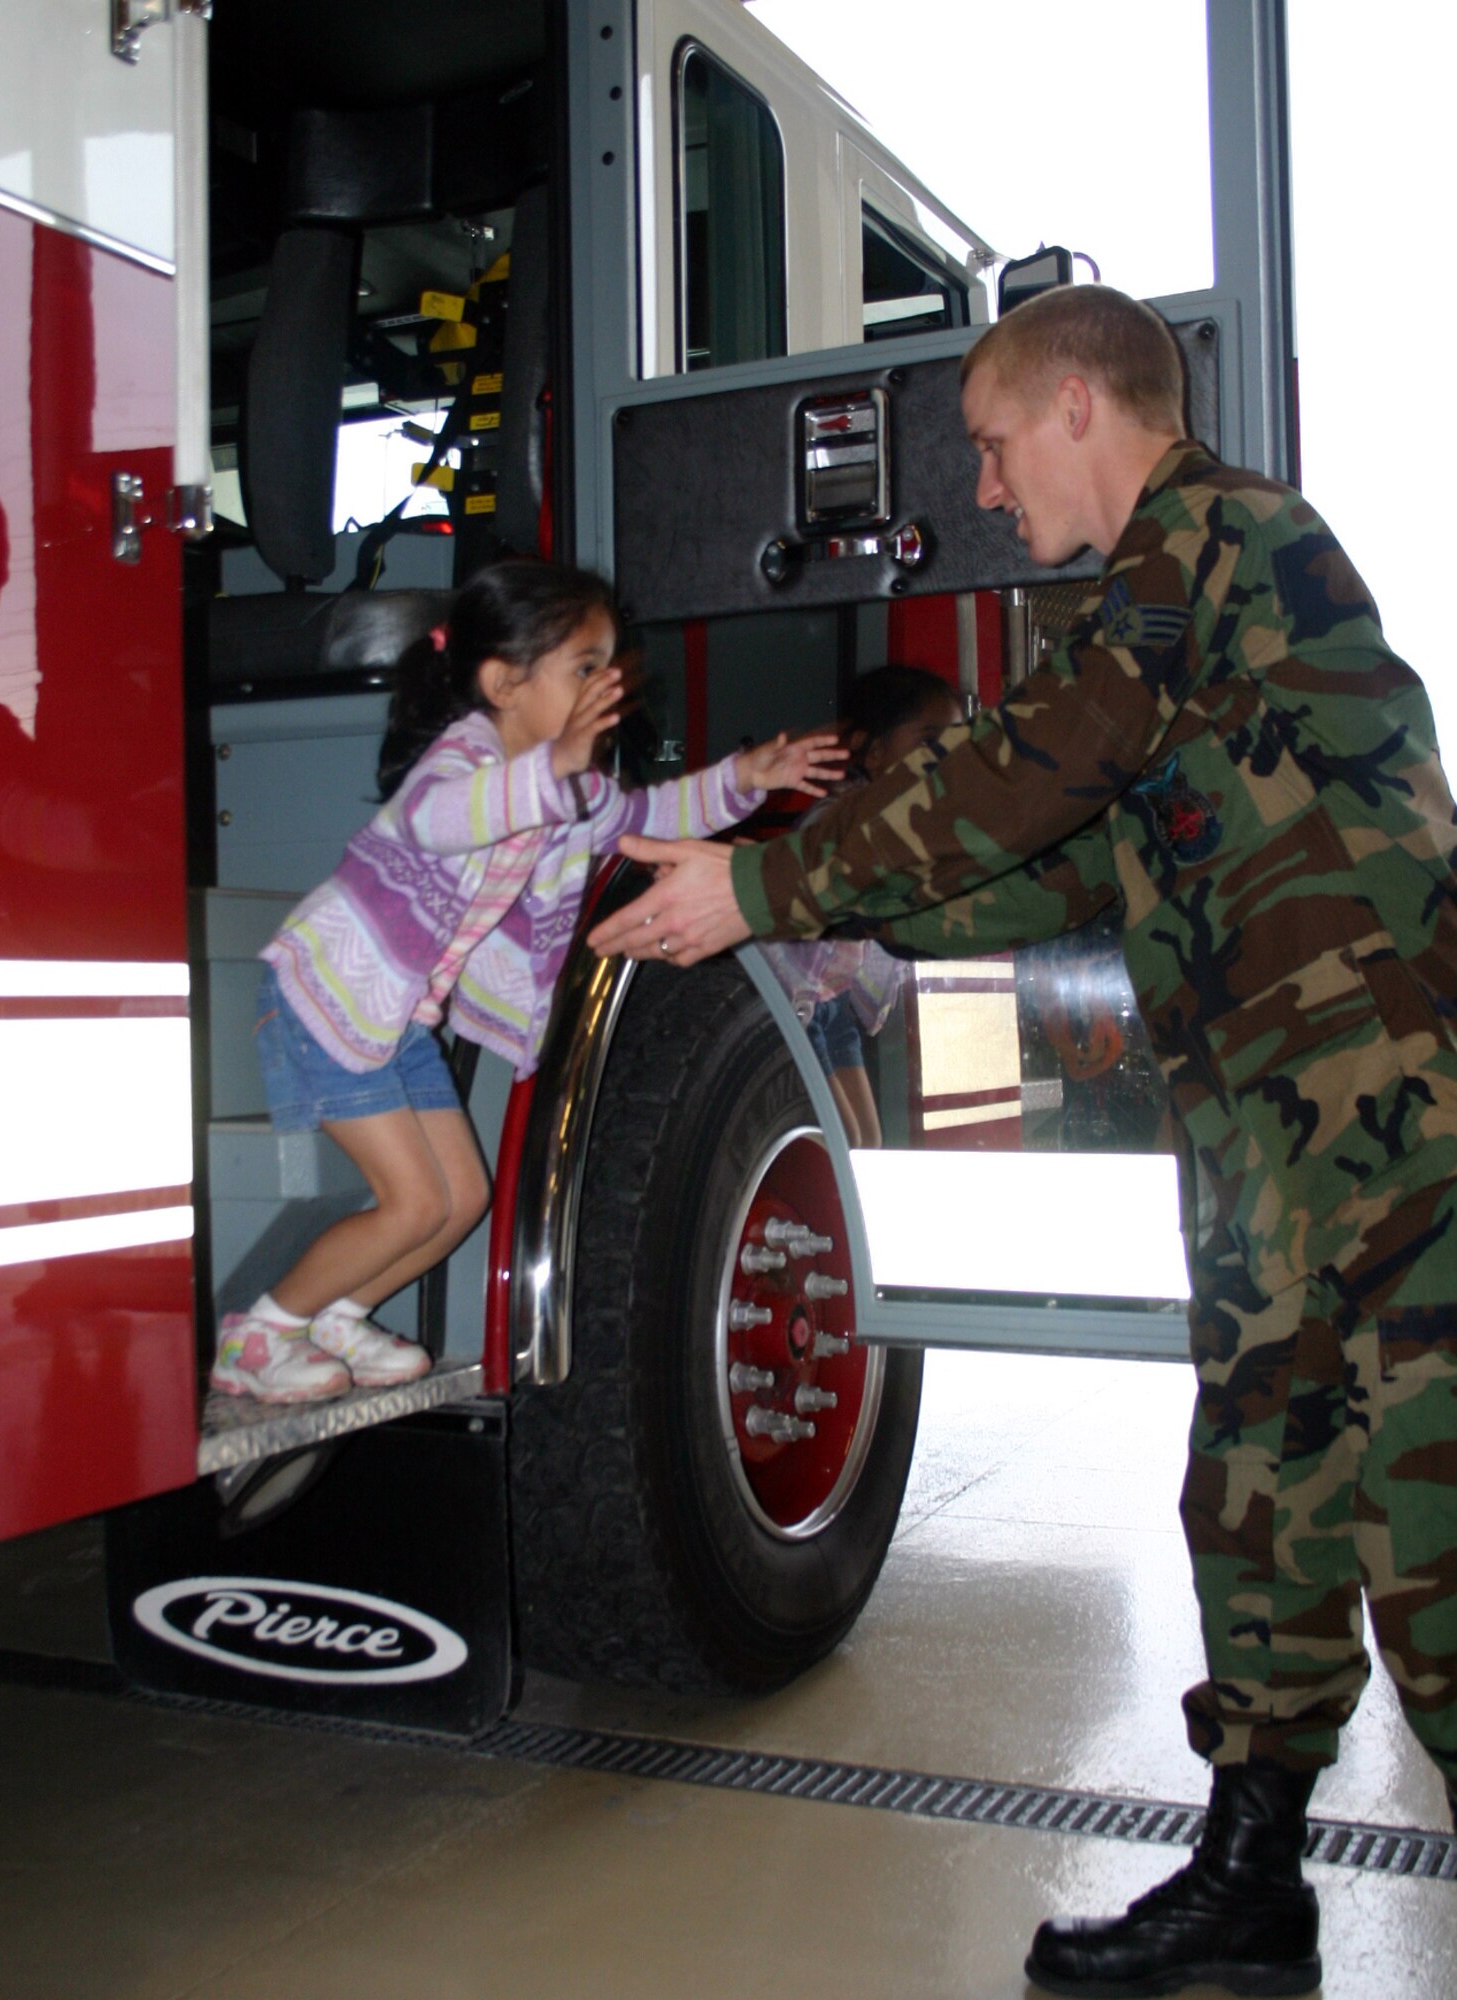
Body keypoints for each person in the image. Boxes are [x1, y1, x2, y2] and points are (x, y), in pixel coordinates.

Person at [589, 285, 1457, 1998]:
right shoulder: (1167, 623)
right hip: (1269, 1149)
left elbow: (1033, 766)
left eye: (988, 444)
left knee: (1426, 1519)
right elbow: (1075, 862)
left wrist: (768, 879)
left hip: (1388, 1135)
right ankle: (1251, 1880)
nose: (982, 490)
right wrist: (816, 919)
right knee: (1261, 1497)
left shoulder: (1220, 544)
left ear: (1077, 404)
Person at [212, 558, 844, 1406]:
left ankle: (339, 1316)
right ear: (503, 682)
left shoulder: (570, 789)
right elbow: (438, 819)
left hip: (394, 1019)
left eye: (609, 665)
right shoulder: (464, 760)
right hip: (326, 999)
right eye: (586, 666)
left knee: (462, 1196)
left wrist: (742, 779)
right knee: (408, 1204)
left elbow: (648, 815)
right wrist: (554, 770)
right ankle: (259, 1335)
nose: (607, 684)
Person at [763, 665, 964, 1146]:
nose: (944, 755)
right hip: (795, 1001)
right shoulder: (841, 819)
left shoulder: (900, 819)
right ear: (873, 753)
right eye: (928, 738)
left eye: (954, 741)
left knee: (866, 1146)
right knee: (841, 1143)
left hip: (831, 1006)